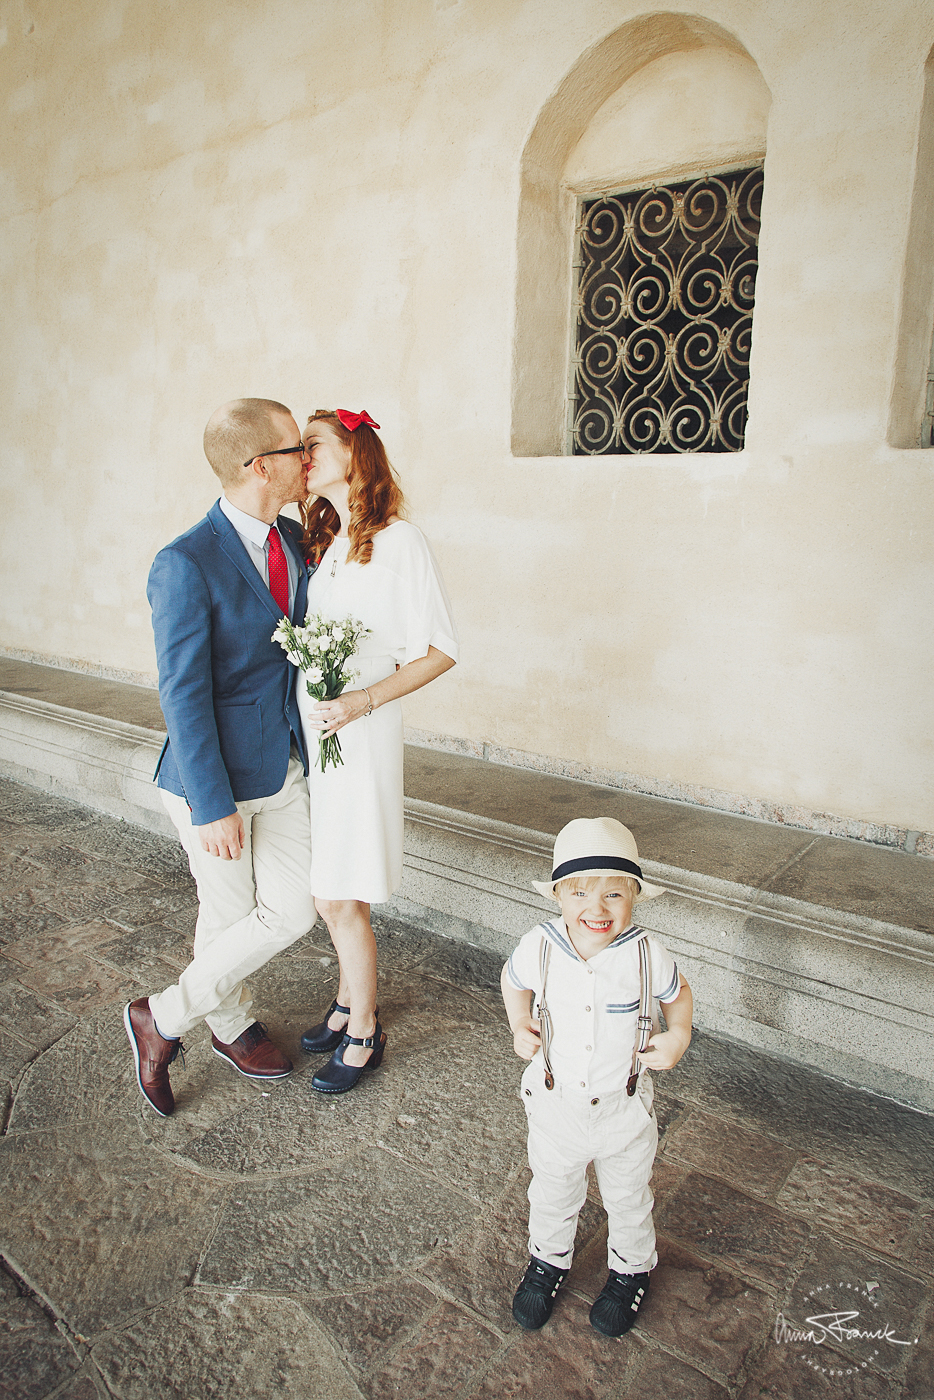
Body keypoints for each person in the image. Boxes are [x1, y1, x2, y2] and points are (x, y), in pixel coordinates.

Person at [124, 398, 317, 1117]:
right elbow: (183, 693)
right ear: (260, 464)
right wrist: (213, 803)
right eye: (298, 448)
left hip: (283, 766)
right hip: (215, 783)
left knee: (293, 911)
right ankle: (230, 1026)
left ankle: (161, 1016)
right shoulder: (184, 563)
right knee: (229, 913)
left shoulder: (293, 540)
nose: (308, 459)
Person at [296, 409, 457, 1093]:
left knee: (340, 891)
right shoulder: (332, 545)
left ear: (355, 453)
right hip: (323, 732)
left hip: (361, 730)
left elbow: (441, 652)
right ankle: (344, 1000)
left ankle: (365, 1029)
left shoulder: (401, 541)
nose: (301, 457)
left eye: (313, 446)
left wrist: (363, 701)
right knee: (329, 884)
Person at [501, 817, 693, 1336]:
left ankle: (631, 1270)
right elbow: (513, 982)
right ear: (558, 896)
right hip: (555, 1103)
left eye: (614, 894)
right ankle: (548, 1261)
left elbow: (678, 998)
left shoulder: (646, 953)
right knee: (553, 1190)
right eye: (581, 892)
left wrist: (677, 1037)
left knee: (629, 1195)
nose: (597, 907)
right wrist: (520, 1021)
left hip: (622, 1109)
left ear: (634, 897)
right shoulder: (538, 946)